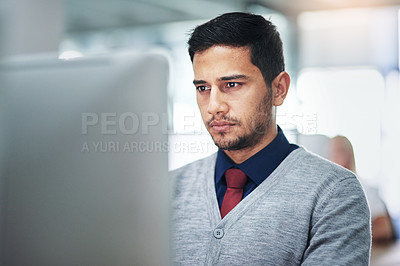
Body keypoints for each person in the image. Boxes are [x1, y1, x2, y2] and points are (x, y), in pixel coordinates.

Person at [170, 12, 371, 265]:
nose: (214, 106)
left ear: (279, 89)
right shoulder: (167, 189)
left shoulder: (334, 193)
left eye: (231, 85)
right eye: (203, 88)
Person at [328, 135, 396, 244]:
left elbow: (385, 230)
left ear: (350, 155)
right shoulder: (327, 193)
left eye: (338, 152)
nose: (333, 157)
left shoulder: (366, 190)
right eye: (331, 153)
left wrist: (350, 237)